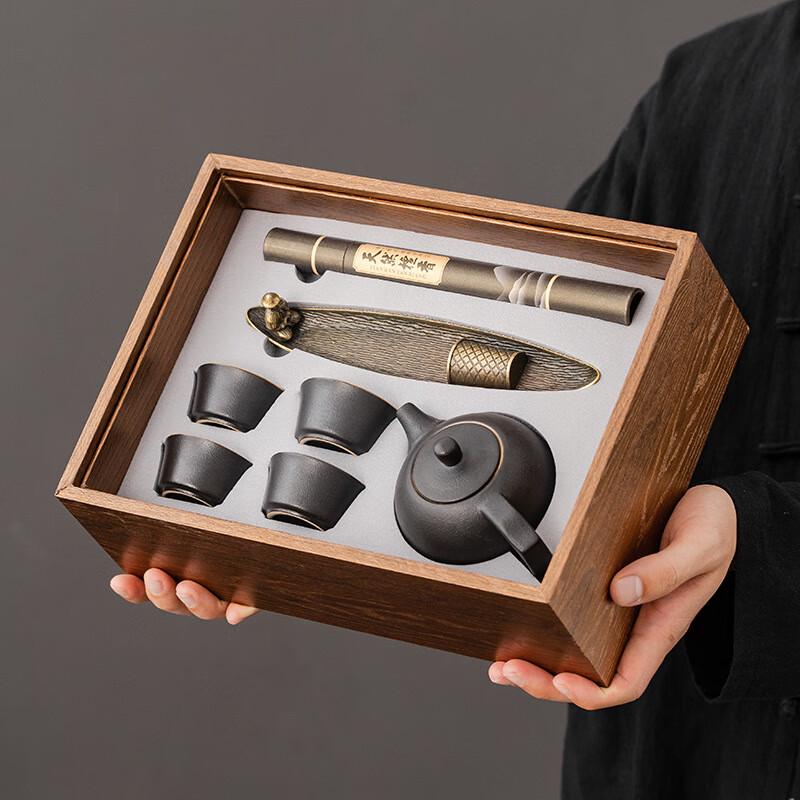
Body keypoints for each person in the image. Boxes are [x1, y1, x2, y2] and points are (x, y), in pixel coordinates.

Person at [108, 3, 800, 797]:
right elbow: (585, 312)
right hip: (663, 743)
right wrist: (249, 541)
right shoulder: (709, 84)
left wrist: (761, 544)